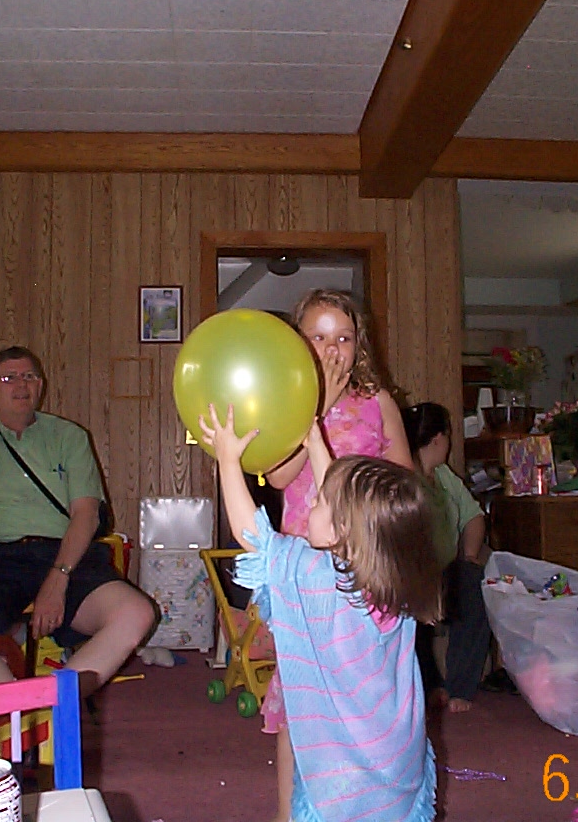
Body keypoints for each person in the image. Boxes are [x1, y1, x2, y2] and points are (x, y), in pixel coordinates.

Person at [200, 403, 440, 822]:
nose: (312, 501)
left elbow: (253, 536)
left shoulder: (320, 578)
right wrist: (314, 443)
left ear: (341, 530)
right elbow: (344, 510)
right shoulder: (394, 580)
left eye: (320, 502)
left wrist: (228, 461)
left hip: (342, 777)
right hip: (394, 765)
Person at [0, 346, 156, 693]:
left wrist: (59, 577)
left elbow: (86, 515)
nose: (21, 384)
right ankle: (15, 704)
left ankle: (56, 706)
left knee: (136, 613)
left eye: (29, 376)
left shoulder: (70, 437)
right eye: (9, 378)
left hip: (64, 555)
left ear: (40, 386)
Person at [263, 289, 413, 822]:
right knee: (301, 698)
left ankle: (368, 801)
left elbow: (406, 481)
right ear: (298, 343)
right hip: (307, 572)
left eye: (343, 338)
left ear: (359, 345)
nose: (332, 349)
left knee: (366, 695)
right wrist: (317, 407)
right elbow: (278, 475)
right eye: (319, 337)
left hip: (367, 564)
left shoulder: (377, 401)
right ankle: (288, 812)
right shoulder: (286, 399)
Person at [402, 401, 491, 713]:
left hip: (447, 568)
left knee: (476, 583)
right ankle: (429, 686)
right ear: (438, 438)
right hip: (412, 571)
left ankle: (459, 688)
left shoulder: (444, 476)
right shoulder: (403, 474)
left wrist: (469, 555)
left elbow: (473, 515)